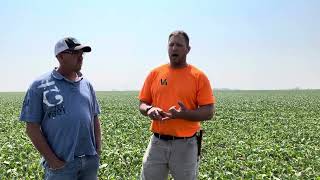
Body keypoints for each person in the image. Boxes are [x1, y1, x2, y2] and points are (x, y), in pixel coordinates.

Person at [20, 37, 101, 180]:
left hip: (89, 162)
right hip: (61, 166)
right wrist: (53, 161)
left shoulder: (86, 84)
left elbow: (94, 118)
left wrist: (97, 151)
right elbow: (31, 128)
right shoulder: (39, 85)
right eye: (75, 53)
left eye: (82, 53)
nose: (81, 57)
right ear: (60, 56)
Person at [138, 30, 216, 180]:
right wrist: (149, 109)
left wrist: (183, 114)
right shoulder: (155, 74)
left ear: (188, 49)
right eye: (171, 44)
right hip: (157, 142)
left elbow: (209, 111)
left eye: (179, 45)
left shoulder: (198, 76)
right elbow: (142, 103)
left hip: (185, 145)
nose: (174, 48)